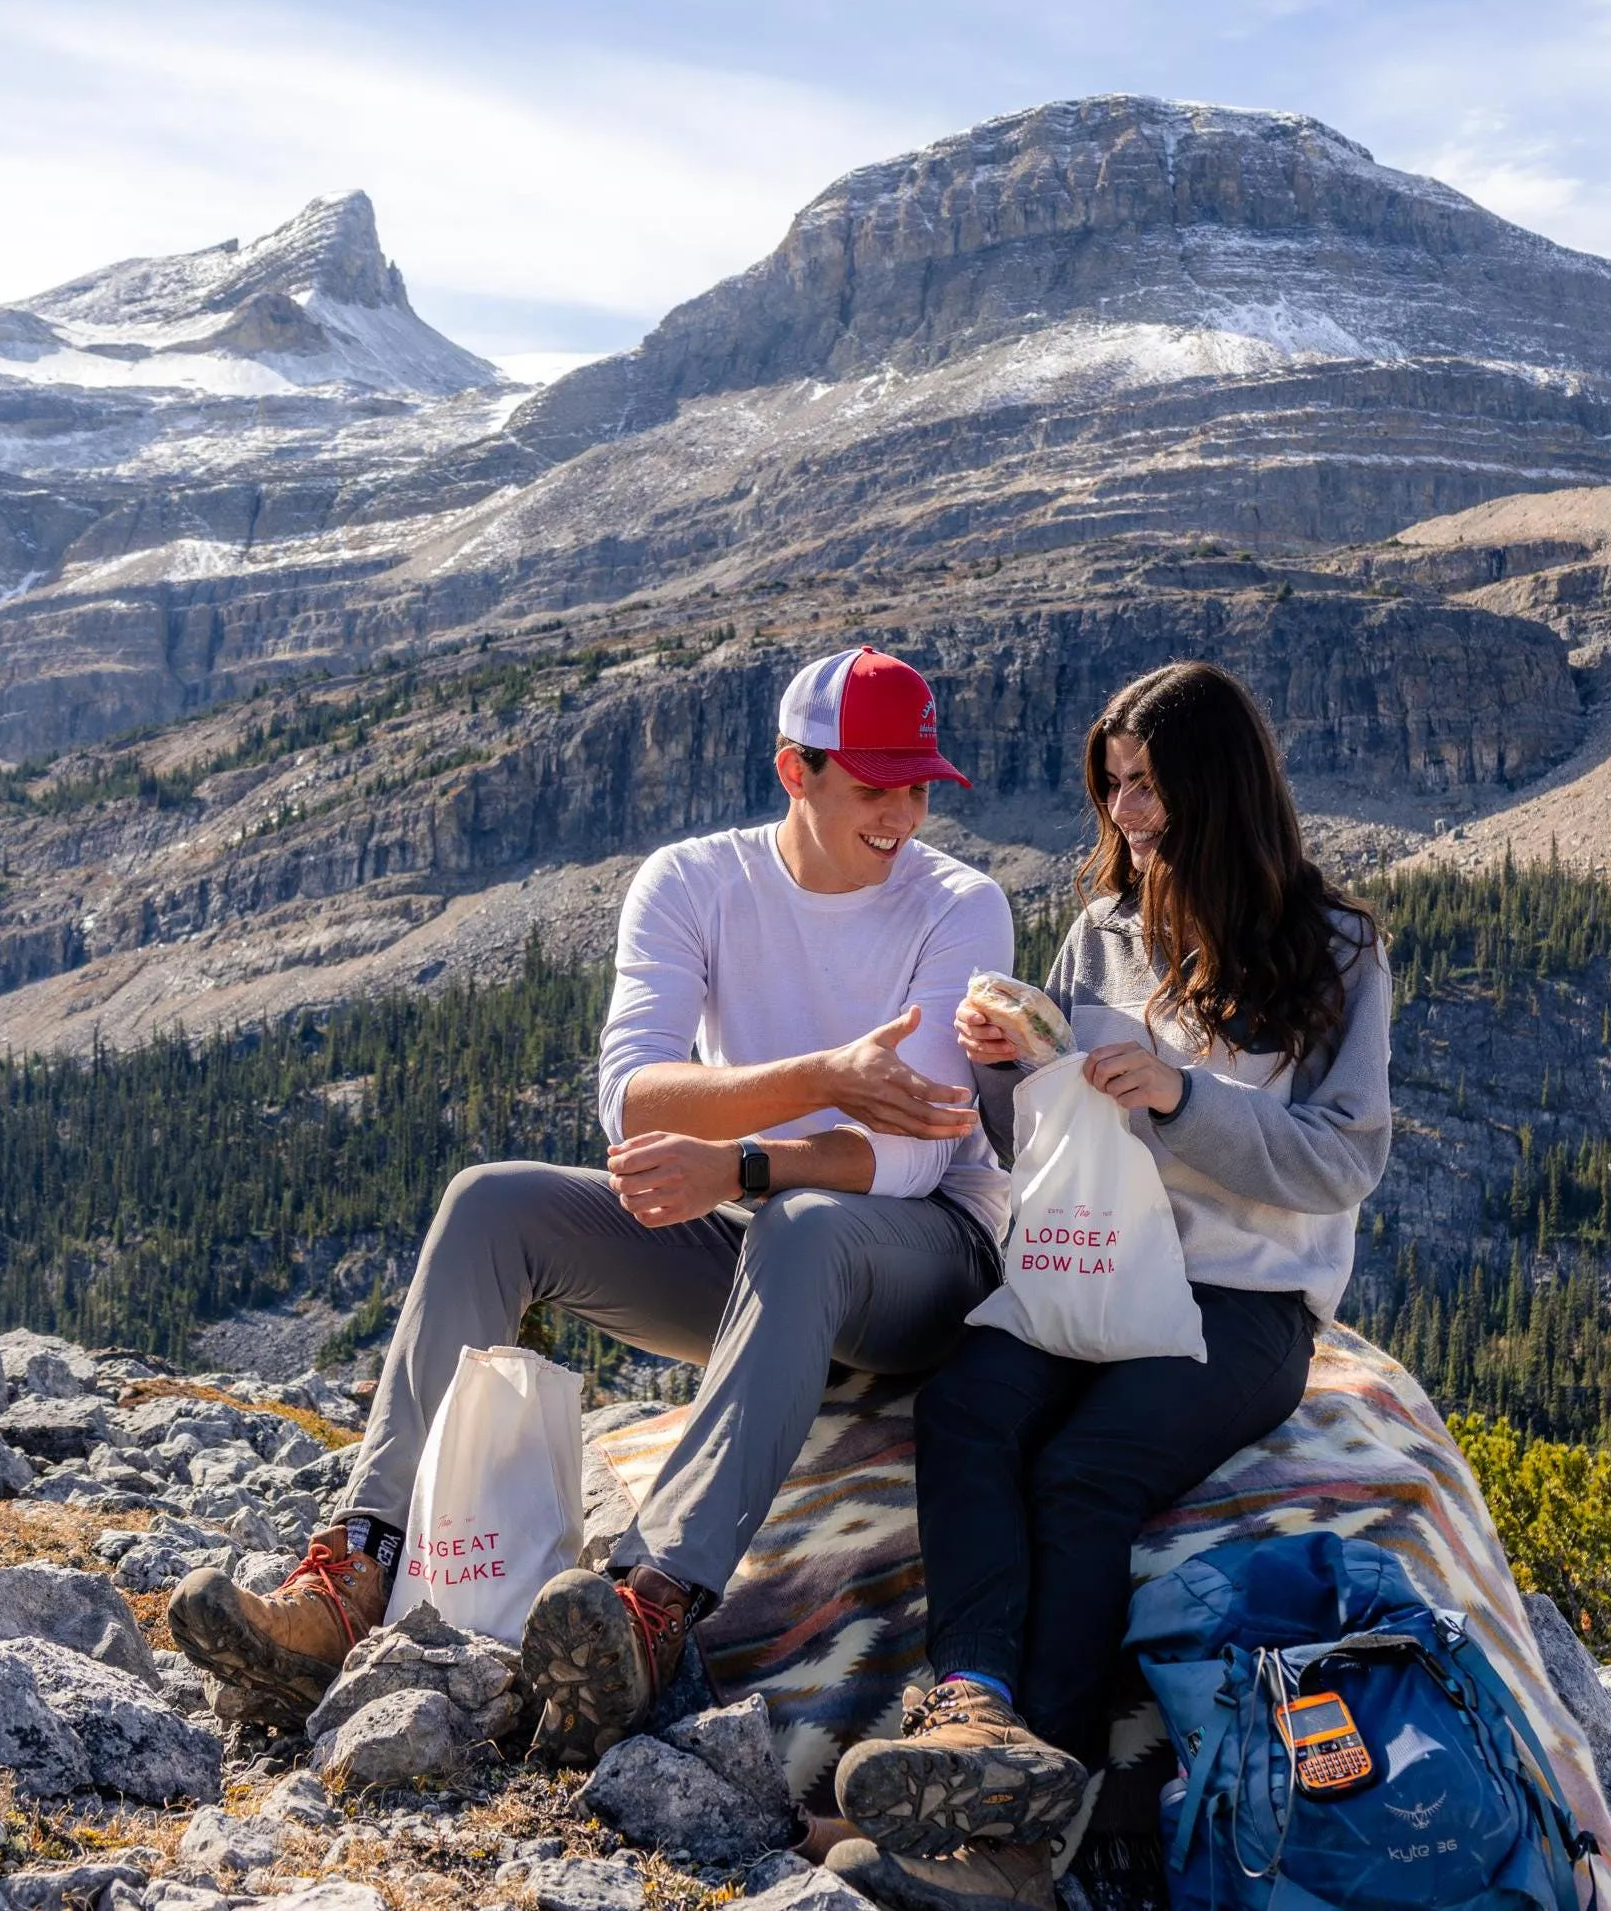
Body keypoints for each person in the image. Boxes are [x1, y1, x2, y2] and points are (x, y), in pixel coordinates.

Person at [169, 645, 1015, 1763]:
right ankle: (349, 1574)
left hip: (917, 1265)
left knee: (807, 1226)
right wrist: (817, 1081)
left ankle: (652, 1603)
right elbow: (632, 1099)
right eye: (876, 784)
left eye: (919, 786)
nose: (903, 813)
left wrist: (743, 1165)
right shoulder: (692, 881)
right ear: (794, 771)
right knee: (490, 1205)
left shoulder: (961, 904)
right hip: (757, 1236)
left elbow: (914, 1160)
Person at [827, 661, 1393, 1911]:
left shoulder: (1334, 946)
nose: (1127, 814)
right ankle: (974, 1711)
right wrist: (1005, 1066)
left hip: (1241, 1301)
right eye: (1115, 788)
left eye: (1147, 785)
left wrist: (1184, 1095)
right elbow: (1046, 1134)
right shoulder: (1099, 932)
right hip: (1094, 1260)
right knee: (970, 1404)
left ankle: (1044, 1807)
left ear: (1215, 785)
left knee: (1085, 1472)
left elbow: (1344, 1156)